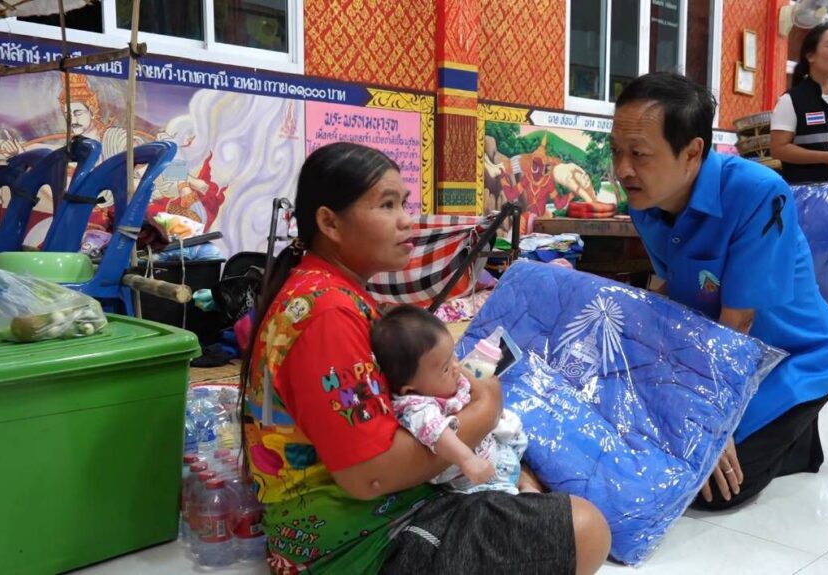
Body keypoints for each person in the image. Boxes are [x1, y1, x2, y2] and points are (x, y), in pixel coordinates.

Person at [240, 142, 610, 574]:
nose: (407, 220)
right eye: (387, 205)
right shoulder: (328, 313)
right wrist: (485, 412)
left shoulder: (327, 290)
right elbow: (370, 475)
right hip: (360, 546)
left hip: (362, 517)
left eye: (404, 203)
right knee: (586, 530)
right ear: (330, 223)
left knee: (529, 475)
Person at [611, 72, 828, 510]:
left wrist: (710, 421)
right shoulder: (647, 201)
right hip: (714, 353)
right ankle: (785, 437)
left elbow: (738, 323)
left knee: (711, 491)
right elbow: (668, 295)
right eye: (616, 151)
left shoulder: (757, 193)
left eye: (639, 154)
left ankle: (792, 429)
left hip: (789, 357)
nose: (623, 169)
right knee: (641, 448)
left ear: (692, 152)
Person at [769, 23, 828, 354]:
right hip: (807, 196)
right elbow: (779, 148)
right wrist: (827, 158)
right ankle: (810, 329)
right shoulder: (792, 100)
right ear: (811, 55)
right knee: (810, 260)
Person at [371, 304, 528, 494]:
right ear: (411, 389)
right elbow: (438, 434)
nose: (456, 366)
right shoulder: (416, 408)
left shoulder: (441, 381)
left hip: (492, 450)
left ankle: (521, 478)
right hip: (471, 478)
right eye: (445, 368)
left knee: (516, 430)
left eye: (453, 354)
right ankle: (523, 489)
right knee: (505, 497)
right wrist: (468, 461)